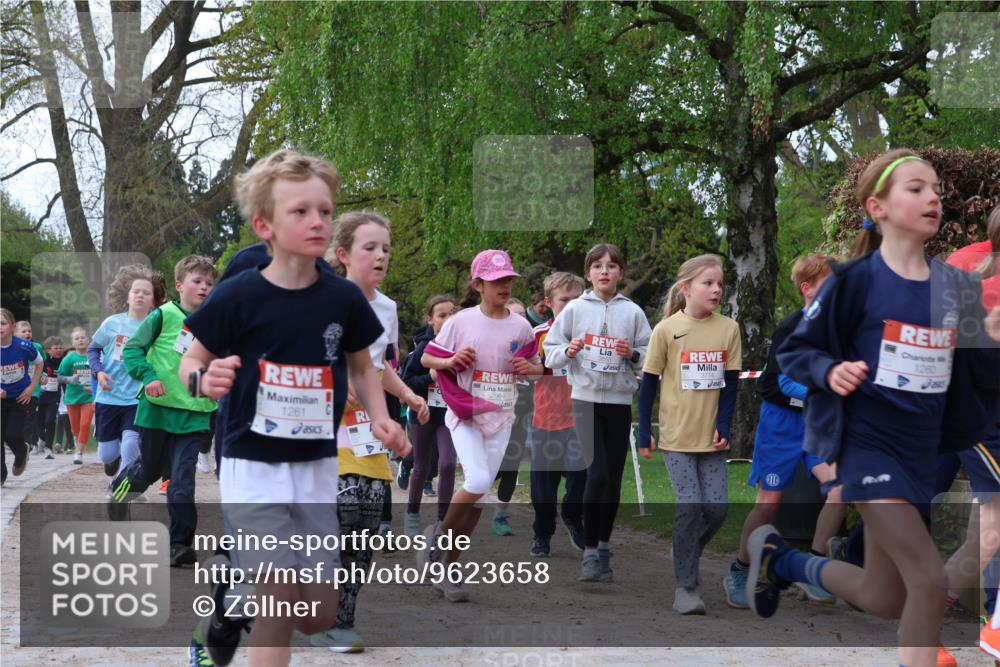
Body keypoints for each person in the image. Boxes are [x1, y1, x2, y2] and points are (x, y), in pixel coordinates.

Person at [753, 149, 1000, 667]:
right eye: (916, 188)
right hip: (867, 450)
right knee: (929, 582)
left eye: (935, 189)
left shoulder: (954, 285)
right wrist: (829, 371)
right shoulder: (853, 280)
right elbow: (794, 352)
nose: (933, 197)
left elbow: (979, 374)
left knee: (886, 598)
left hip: (921, 454)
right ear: (878, 206)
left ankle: (785, 561)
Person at [179, 149, 408, 667]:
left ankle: (228, 607)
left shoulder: (342, 299)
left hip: (316, 464)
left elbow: (364, 364)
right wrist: (202, 380)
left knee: (319, 614)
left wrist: (381, 416)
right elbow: (191, 360)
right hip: (251, 462)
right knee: (280, 602)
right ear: (266, 224)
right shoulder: (239, 295)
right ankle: (246, 601)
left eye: (325, 211)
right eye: (300, 211)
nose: (317, 221)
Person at [311, 209, 428, 652]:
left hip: (366, 431)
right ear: (342, 254)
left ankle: (341, 620)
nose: (381, 256)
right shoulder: (317, 299)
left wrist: (410, 396)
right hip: (317, 430)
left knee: (363, 524)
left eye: (386, 249)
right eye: (370, 248)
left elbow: (380, 369)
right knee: (338, 517)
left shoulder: (387, 308)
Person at [723, 254, 845, 609]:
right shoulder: (790, 328)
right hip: (781, 423)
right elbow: (781, 382)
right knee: (769, 503)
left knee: (839, 490)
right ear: (807, 289)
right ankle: (741, 567)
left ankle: (814, 568)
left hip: (818, 425)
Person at [418, 248, 539, 602]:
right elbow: (429, 357)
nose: (504, 286)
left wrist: (530, 368)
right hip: (466, 413)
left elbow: (535, 363)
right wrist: (453, 359)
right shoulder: (461, 321)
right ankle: (439, 535)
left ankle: (448, 569)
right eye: (496, 281)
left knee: (479, 499)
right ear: (478, 284)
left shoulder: (520, 325)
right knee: (479, 480)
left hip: (501, 415)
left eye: (508, 280)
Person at [636, 254, 741, 613]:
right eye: (707, 283)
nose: (716, 290)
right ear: (686, 289)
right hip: (676, 437)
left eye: (720, 284)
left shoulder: (729, 327)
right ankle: (686, 586)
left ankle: (683, 550)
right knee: (690, 503)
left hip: (711, 438)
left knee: (717, 509)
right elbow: (648, 384)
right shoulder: (666, 329)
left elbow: (730, 385)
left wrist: (724, 425)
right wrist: (643, 432)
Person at [543, 243, 652, 583]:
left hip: (619, 403)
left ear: (621, 272)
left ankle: (604, 546)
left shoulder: (632, 312)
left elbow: (650, 355)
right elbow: (550, 352)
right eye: (597, 266)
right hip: (585, 399)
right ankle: (589, 552)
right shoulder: (575, 309)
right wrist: (569, 349)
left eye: (612, 266)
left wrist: (632, 353)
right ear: (588, 272)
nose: (605, 271)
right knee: (599, 475)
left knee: (614, 481)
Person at [107, 255, 218, 569]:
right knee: (147, 470)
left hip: (196, 411)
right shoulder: (163, 315)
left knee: (183, 479)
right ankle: (119, 491)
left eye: (210, 283)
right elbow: (132, 349)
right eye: (197, 281)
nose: (204, 288)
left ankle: (180, 545)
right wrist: (149, 375)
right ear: (180, 285)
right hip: (157, 409)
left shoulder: (216, 319)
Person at [88, 264, 166, 488]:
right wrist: (98, 371)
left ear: (154, 299)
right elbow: (93, 349)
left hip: (137, 398)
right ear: (127, 296)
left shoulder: (157, 327)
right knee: (107, 454)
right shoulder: (112, 323)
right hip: (108, 396)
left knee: (131, 445)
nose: (140, 295)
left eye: (146, 292)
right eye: (136, 291)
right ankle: (112, 465)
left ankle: (121, 489)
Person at [528, 271, 588, 557]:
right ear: (549, 302)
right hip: (547, 418)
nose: (572, 305)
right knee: (543, 489)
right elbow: (530, 372)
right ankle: (542, 533)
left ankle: (573, 517)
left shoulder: (594, 334)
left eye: (578, 298)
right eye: (565, 300)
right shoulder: (538, 335)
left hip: (583, 417)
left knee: (582, 478)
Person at [401, 295, 457, 536]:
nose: (447, 319)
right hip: (423, 413)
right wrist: (430, 378)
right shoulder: (424, 347)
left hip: (449, 415)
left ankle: (442, 523)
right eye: (442, 315)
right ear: (430, 319)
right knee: (421, 466)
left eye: (451, 314)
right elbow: (406, 382)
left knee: (447, 464)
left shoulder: (462, 345)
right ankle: (412, 513)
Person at [491, 297, 534, 537]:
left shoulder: (531, 350)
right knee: (491, 469)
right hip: (492, 419)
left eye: (522, 316)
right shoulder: (495, 348)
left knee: (511, 468)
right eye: (514, 315)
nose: (519, 321)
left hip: (520, 419)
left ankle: (500, 515)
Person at [1, 308, 41, 484]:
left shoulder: (24, 346)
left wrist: (31, 387)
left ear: (12, 326)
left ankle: (21, 452)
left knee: (12, 435)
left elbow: (39, 363)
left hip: (19, 397)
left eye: (2, 323)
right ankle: (1, 475)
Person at [58, 326, 94, 464]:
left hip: (89, 396)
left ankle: (79, 452)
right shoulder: (69, 358)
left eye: (83, 338)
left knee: (85, 424)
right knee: (75, 427)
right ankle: (77, 440)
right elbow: (59, 377)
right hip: (72, 397)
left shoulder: (93, 355)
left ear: (88, 340)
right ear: (73, 343)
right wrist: (70, 379)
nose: (80, 341)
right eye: (77, 339)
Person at [14, 321, 44, 453]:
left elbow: (42, 363)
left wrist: (43, 374)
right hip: (15, 390)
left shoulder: (37, 346)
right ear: (14, 333)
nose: (27, 333)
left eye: (29, 331)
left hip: (33, 390)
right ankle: (17, 441)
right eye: (24, 331)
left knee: (29, 418)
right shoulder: (11, 347)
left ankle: (27, 443)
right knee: (17, 418)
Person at [36, 336, 65, 459]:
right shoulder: (43, 361)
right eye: (56, 348)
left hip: (54, 396)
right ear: (48, 350)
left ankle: (48, 448)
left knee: (50, 420)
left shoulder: (64, 361)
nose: (59, 350)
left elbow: (65, 378)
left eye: (60, 348)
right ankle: (42, 439)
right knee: (38, 421)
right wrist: (41, 378)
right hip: (41, 396)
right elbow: (36, 374)